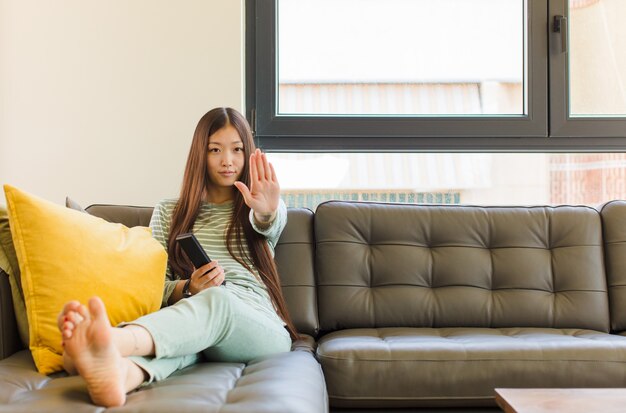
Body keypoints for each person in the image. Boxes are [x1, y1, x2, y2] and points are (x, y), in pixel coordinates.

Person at [56, 107, 299, 407]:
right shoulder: (169, 212)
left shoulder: (262, 206)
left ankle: (112, 341)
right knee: (185, 335)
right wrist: (187, 289)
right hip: (199, 320)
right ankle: (121, 374)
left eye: (237, 150)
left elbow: (268, 221)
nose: (227, 160)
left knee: (217, 302)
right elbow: (154, 286)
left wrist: (264, 210)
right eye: (215, 150)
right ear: (201, 154)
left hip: (260, 329)